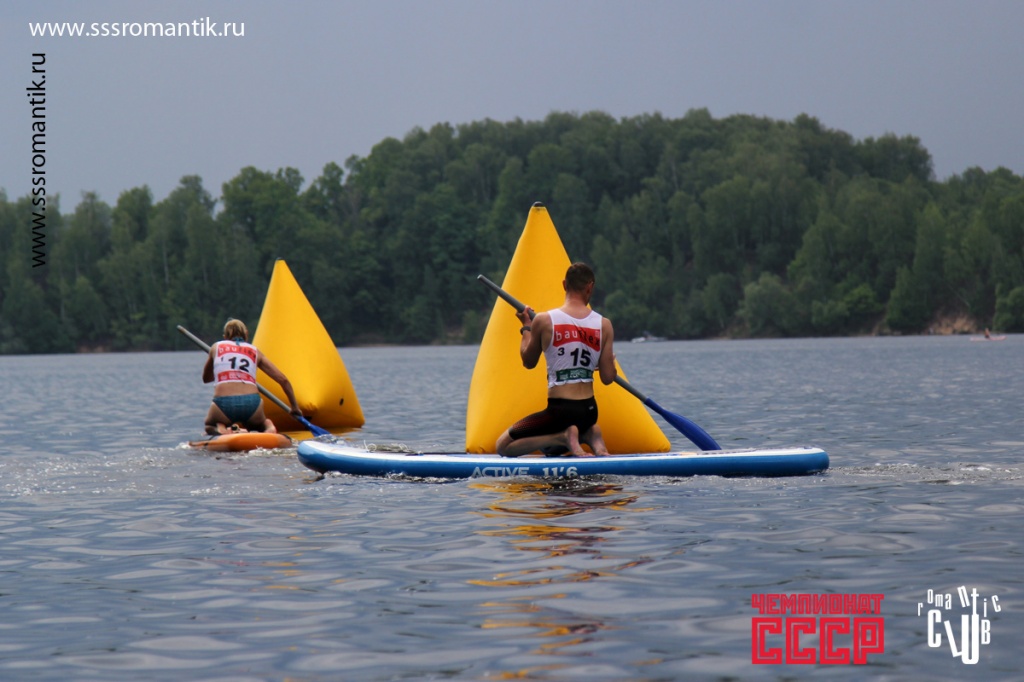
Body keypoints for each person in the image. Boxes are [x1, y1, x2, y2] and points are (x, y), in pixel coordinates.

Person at [496, 263, 617, 457]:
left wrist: (526, 327)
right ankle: (592, 435)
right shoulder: (604, 324)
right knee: (551, 452)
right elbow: (608, 377)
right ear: (590, 287)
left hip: (560, 412)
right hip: (589, 411)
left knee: (503, 446)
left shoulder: (543, 320)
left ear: (564, 285)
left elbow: (528, 361)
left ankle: (563, 437)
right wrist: (608, 362)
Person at [202, 319, 303, 435]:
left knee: (209, 425)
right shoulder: (255, 351)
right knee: (261, 424)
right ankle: (268, 427)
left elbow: (206, 379)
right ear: (246, 335)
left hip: (223, 405)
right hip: (252, 404)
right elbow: (283, 380)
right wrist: (294, 407)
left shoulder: (216, 347)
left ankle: (221, 428)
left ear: (225, 337)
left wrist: (220, 367)